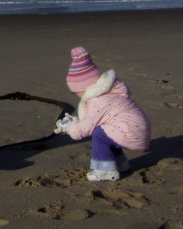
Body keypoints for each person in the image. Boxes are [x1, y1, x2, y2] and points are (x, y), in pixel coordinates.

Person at [55, 47, 151, 181]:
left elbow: (85, 129)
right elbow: (95, 119)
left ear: (85, 87)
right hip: (135, 129)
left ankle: (105, 171)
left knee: (99, 135)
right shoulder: (110, 93)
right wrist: (77, 121)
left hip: (131, 132)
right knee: (109, 133)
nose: (76, 95)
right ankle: (120, 164)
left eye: (75, 91)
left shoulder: (98, 101)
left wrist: (69, 127)